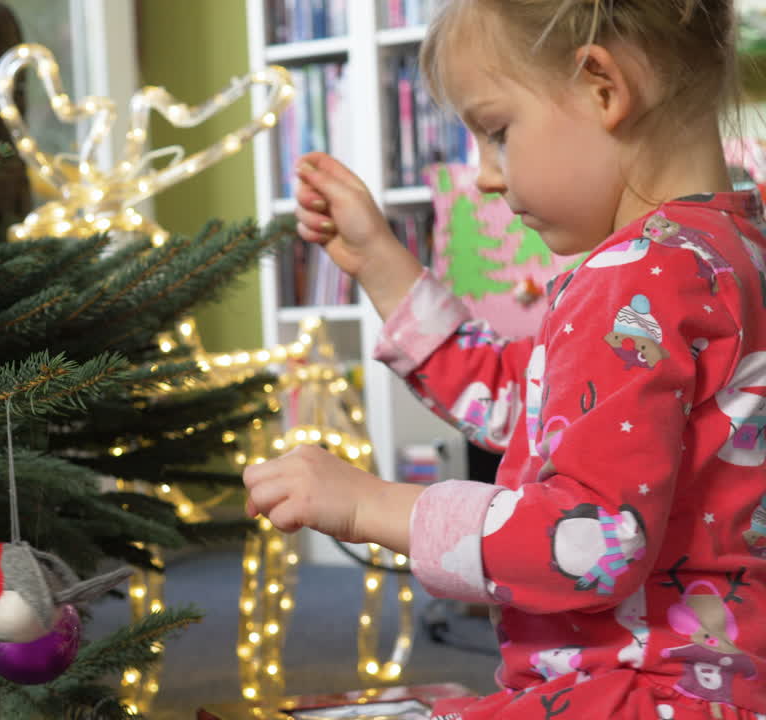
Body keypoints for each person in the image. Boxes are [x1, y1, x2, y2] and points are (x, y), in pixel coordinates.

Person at [241, 1, 766, 718]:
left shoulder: (637, 279)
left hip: (643, 693)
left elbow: (594, 541)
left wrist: (372, 505)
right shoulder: (731, 252)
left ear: (602, 87)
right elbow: (524, 403)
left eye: (496, 133)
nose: (485, 177)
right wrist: (379, 263)